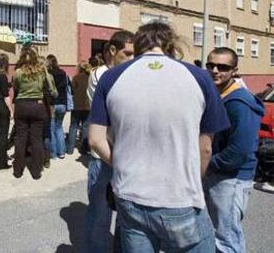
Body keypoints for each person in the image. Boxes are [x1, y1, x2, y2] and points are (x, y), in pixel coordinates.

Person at [88, 22, 230, 252]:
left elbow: (95, 140)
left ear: (138, 44)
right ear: (170, 44)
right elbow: (205, 148)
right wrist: (193, 180)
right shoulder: (200, 78)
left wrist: (124, 165)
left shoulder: (111, 77)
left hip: (130, 195)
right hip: (180, 195)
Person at [204, 47, 265, 253]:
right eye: (210, 65)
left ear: (234, 70)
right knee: (217, 233)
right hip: (217, 174)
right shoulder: (218, 95)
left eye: (222, 67)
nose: (215, 70)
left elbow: (239, 150)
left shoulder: (240, 102)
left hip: (231, 179)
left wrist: (207, 163)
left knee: (227, 239)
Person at [85, 30, 134, 253]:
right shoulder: (101, 75)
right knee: (100, 216)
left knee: (128, 217)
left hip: (128, 156)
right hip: (104, 157)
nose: (133, 60)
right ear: (112, 51)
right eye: (128, 54)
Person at [13, 46, 56, 179]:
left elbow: (16, 88)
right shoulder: (41, 71)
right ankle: (36, 171)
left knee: (20, 138)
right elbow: (49, 88)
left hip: (21, 105)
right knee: (37, 139)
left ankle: (18, 170)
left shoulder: (18, 72)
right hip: (38, 105)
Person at [46, 54, 68, 159]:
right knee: (59, 128)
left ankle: (53, 153)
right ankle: (62, 152)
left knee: (52, 128)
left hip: (53, 104)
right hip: (63, 103)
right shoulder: (63, 73)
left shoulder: (49, 74)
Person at [66, 61, 91, 155]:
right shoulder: (91, 77)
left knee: (73, 127)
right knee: (85, 127)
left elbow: (72, 91)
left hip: (77, 105)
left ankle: (70, 149)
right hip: (88, 105)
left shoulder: (76, 78)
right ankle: (84, 150)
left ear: (79, 68)